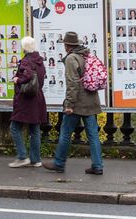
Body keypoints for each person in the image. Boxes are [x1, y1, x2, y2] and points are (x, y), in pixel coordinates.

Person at [43, 32, 103, 175]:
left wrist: (69, 104)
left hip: (77, 103)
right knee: (93, 135)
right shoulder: (86, 55)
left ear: (66, 45)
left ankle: (59, 163)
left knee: (65, 133)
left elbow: (73, 83)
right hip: (91, 100)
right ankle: (97, 166)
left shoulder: (71, 58)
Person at [8, 36, 47, 168]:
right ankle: (36, 160)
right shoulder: (39, 61)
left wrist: (17, 80)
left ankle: (22, 157)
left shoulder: (26, 61)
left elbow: (28, 75)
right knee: (34, 129)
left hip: (26, 99)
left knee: (15, 127)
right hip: (37, 97)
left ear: (24, 48)